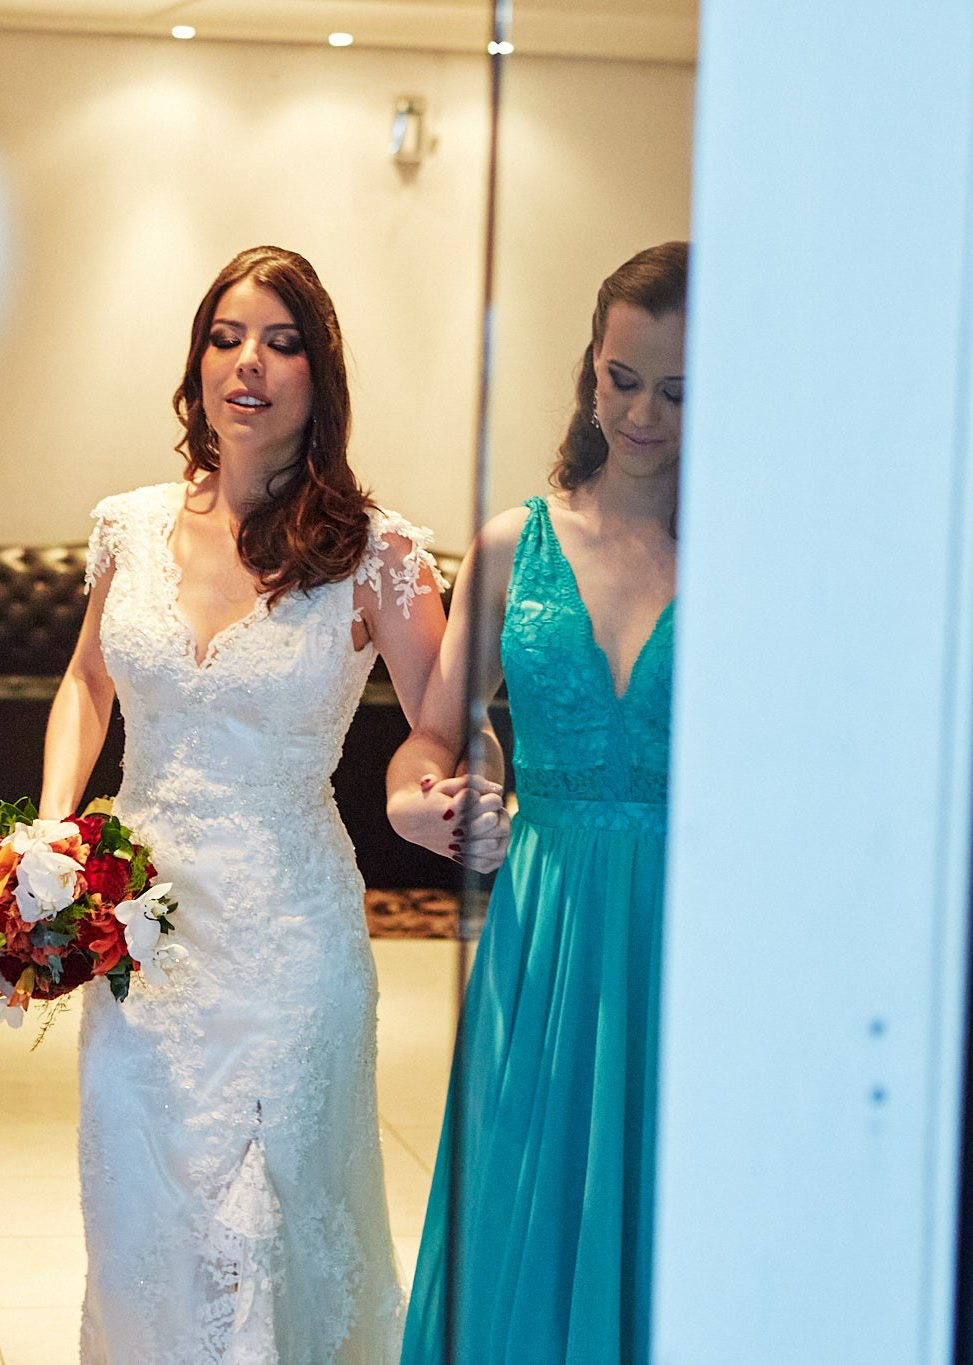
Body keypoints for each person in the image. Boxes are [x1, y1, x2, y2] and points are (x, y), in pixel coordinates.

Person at [38, 244, 450, 1363]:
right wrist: (53, 827)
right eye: (226, 339)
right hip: (142, 926)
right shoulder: (129, 528)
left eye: (280, 341)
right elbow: (86, 682)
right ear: (197, 366)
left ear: (321, 375)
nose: (248, 363)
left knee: (269, 1216)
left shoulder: (378, 554)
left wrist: (431, 793)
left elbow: (446, 724)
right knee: (147, 1202)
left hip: (287, 933)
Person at [388, 242, 687, 1363]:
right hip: (544, 923)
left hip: (691, 928)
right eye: (622, 378)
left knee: (665, 1197)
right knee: (527, 1197)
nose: (641, 415)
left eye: (677, 391)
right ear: (588, 368)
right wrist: (419, 801)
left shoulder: (759, 559)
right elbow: (432, 733)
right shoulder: (515, 544)